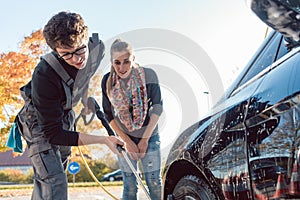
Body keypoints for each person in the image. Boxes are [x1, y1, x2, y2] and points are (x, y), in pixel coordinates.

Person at [24, 11, 124, 200]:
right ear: (55, 51)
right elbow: (53, 133)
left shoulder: (97, 49)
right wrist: (103, 140)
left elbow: (83, 77)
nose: (76, 59)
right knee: (54, 181)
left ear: (86, 40)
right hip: (39, 122)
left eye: (79, 50)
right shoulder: (44, 75)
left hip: (65, 113)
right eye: (66, 55)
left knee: (51, 180)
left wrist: (84, 98)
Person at [101, 38, 163, 200]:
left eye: (126, 62)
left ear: (133, 59)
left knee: (154, 182)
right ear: (111, 61)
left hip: (149, 136)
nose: (122, 68)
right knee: (129, 184)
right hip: (124, 139)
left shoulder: (148, 75)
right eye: (117, 62)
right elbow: (108, 114)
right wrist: (127, 141)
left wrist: (144, 140)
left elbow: (157, 107)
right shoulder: (107, 81)